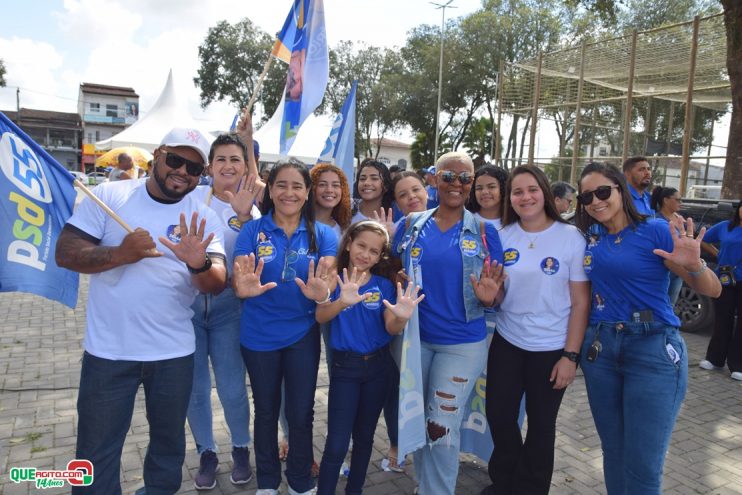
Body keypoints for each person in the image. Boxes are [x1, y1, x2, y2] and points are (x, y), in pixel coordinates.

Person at [55, 127, 227, 495]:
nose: (183, 172)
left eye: (194, 168)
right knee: (95, 453)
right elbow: (66, 253)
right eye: (176, 160)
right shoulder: (109, 195)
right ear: (158, 155)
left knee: (167, 451)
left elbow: (216, 282)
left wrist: (198, 265)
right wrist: (121, 254)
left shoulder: (203, 217)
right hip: (109, 352)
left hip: (173, 354)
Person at [575, 162, 721, 494]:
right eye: (587, 197)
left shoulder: (655, 230)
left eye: (602, 192)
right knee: (613, 453)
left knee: (642, 464)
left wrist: (695, 265)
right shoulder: (589, 238)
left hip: (651, 348)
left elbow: (713, 290)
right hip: (601, 351)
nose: (595, 202)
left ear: (619, 189)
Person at [393, 151, 504, 495]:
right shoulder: (411, 225)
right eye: (448, 176)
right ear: (434, 179)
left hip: (461, 344)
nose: (456, 184)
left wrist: (490, 299)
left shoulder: (485, 232)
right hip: (414, 341)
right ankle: (426, 487)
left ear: (471, 184)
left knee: (440, 425)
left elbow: (497, 293)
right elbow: (389, 271)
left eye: (464, 178)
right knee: (421, 425)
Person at [232, 158, 338, 495]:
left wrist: (325, 293)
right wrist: (241, 289)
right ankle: (266, 483)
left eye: (297, 186)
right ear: (270, 189)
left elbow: (329, 282)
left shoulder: (323, 235)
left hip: (302, 335)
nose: (289, 192)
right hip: (258, 335)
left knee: (301, 413)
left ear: (308, 192)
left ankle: (299, 481)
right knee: (265, 411)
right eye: (281, 185)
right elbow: (239, 279)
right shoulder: (252, 230)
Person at [483, 165, 590, 495]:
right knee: (499, 417)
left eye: (532, 189)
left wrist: (570, 356)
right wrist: (491, 296)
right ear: (510, 198)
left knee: (541, 426)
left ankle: (530, 489)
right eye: (517, 191)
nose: (525, 197)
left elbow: (581, 304)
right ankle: (505, 482)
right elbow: (499, 294)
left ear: (544, 192)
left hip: (551, 348)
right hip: (508, 341)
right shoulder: (503, 236)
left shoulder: (571, 237)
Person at [316, 221, 424, 495]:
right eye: (362, 246)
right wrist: (341, 301)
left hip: (378, 368)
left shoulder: (384, 286)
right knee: (338, 443)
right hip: (346, 369)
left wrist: (401, 316)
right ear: (349, 242)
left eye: (374, 251)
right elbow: (320, 316)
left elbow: (390, 326)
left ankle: (355, 490)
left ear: (380, 257)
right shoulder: (335, 279)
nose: (366, 254)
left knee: (364, 438)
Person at [187, 133, 264, 490]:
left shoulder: (254, 210)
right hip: (186, 309)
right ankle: (206, 452)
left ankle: (241, 448)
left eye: (236, 159)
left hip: (229, 309)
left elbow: (261, 254)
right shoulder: (188, 202)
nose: (229, 166)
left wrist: (245, 215)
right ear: (209, 166)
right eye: (221, 160)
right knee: (196, 389)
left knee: (233, 386)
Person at [699, 201, 742, 380]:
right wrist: (718, 254)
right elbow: (703, 240)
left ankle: (737, 365)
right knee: (722, 319)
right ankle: (714, 359)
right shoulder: (725, 227)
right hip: (724, 279)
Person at [651, 186, 684, 305]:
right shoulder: (656, 220)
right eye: (678, 199)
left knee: (671, 305)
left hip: (679, 270)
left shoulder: (680, 218)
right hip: (662, 269)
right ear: (665, 200)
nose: (681, 203)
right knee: (659, 304)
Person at [352, 159, 394, 223]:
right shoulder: (348, 208)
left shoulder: (392, 219)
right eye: (362, 179)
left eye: (374, 178)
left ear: (386, 185)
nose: (366, 183)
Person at [468, 165, 509, 229]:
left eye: (491, 187)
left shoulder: (515, 223)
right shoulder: (465, 220)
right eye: (479, 188)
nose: (484, 192)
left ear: (503, 188)